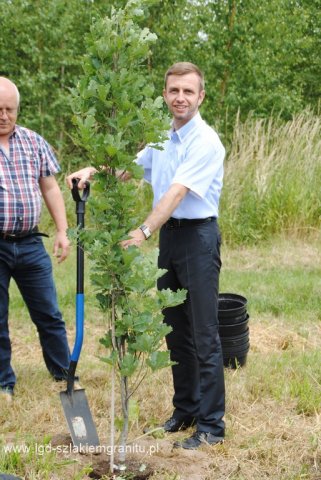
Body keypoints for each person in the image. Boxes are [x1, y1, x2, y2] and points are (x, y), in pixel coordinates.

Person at [67, 62, 226, 450]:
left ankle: (211, 427)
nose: (180, 98)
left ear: (200, 96)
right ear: (165, 94)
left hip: (198, 238)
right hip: (170, 241)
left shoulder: (206, 142)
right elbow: (126, 172)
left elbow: (175, 193)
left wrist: (142, 230)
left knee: (204, 334)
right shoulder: (161, 138)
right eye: (174, 91)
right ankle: (185, 410)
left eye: (188, 91)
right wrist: (93, 170)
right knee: (176, 331)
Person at [0, 77, 71, 403]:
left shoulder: (33, 141)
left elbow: (51, 187)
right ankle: (4, 384)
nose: (3, 115)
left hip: (30, 243)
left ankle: (64, 374)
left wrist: (61, 230)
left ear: (17, 109)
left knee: (49, 313)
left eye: (9, 109)